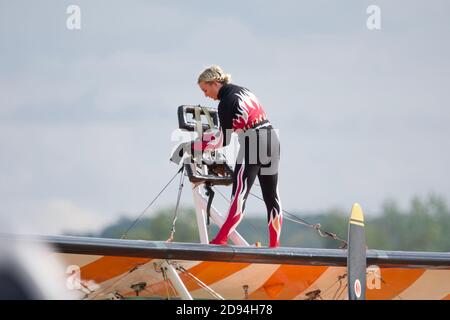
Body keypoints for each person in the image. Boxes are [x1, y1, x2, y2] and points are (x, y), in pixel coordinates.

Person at [194, 65, 282, 248]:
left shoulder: (226, 102)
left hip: (254, 141)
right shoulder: (244, 90)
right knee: (272, 196)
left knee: (239, 194)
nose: (205, 95)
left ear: (215, 83)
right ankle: (275, 246)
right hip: (272, 138)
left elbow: (222, 141)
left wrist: (197, 145)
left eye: (205, 89)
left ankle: (221, 238)